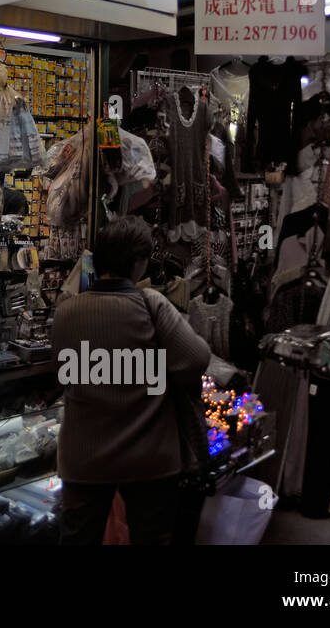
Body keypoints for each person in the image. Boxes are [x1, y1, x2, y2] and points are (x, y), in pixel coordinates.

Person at [51, 215, 210, 544]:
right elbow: (197, 359)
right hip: (149, 460)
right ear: (138, 262)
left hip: (84, 459)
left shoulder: (66, 311)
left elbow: (64, 374)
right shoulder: (151, 304)